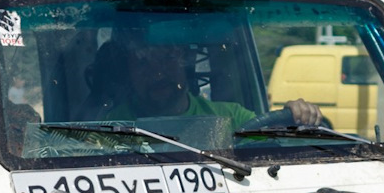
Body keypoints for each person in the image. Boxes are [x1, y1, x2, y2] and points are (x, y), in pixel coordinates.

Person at [93, 38, 322, 129]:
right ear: (128, 74)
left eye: (168, 59)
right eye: (143, 64)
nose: (158, 73)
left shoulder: (233, 117)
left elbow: (272, 149)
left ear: (186, 65)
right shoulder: (112, 127)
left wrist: (296, 117)